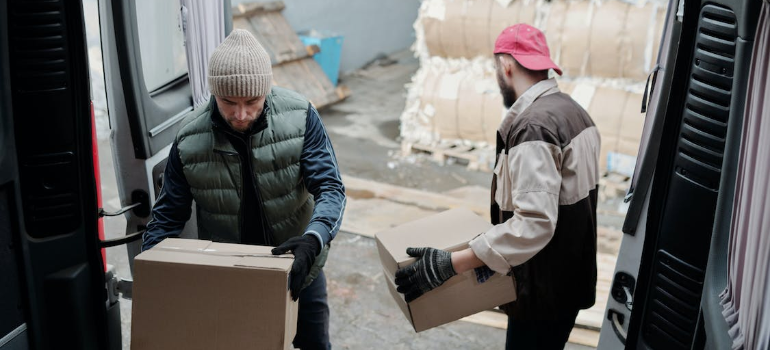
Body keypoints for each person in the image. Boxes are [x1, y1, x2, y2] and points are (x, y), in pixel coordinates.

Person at [395, 24, 600, 349]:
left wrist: (452, 263)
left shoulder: (534, 128)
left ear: (506, 64)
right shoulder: (574, 113)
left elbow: (534, 222)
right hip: (566, 282)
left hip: (541, 291)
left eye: (496, 68)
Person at [141, 29, 345, 350]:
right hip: (231, 276)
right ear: (214, 93)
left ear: (267, 90)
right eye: (228, 102)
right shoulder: (189, 139)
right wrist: (152, 273)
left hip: (300, 264)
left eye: (252, 102)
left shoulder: (302, 116)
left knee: (314, 344)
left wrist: (314, 238)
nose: (240, 114)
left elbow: (331, 188)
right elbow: (167, 218)